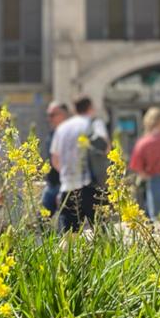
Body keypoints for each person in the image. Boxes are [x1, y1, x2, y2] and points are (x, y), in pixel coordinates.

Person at [51, 95, 108, 233]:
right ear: (90, 108)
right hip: (91, 187)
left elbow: (55, 159)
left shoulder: (62, 128)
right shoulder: (94, 123)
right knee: (101, 234)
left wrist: (67, 174)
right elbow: (105, 147)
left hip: (67, 187)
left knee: (69, 237)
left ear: (74, 109)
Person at [40, 102, 69, 218]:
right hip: (51, 185)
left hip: (64, 185)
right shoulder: (52, 133)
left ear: (64, 115)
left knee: (66, 223)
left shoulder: (69, 134)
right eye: (48, 115)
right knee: (42, 221)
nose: (49, 119)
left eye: (52, 115)